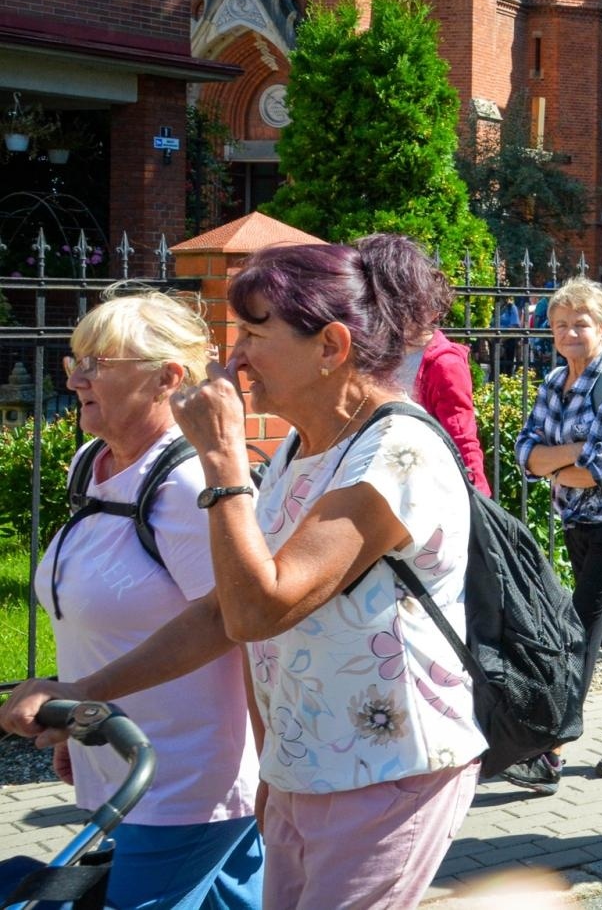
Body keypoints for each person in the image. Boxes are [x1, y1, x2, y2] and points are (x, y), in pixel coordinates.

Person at [169, 234, 486, 909]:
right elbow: (227, 612)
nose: (237, 358)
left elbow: (263, 607)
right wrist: (90, 687)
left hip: (390, 770)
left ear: (332, 346)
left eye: (255, 333)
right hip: (305, 771)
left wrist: (224, 462)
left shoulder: (396, 452)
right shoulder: (299, 446)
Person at [0, 289, 263, 910]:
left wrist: (82, 694)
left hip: (189, 777)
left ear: (167, 378)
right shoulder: (93, 463)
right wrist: (74, 725)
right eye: (74, 362)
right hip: (122, 755)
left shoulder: (189, 482)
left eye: (97, 363)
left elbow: (235, 620)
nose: (77, 379)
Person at [506, 277, 602, 796]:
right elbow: (524, 452)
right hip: (579, 521)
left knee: (578, 631)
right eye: (561, 324)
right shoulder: (556, 382)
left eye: (581, 323)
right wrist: (569, 456)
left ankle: (548, 751)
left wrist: (559, 460)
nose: (571, 332)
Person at [384, 246, 492, 496]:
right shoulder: (385, 352)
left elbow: (461, 433)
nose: (401, 312)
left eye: (413, 305)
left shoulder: (445, 364)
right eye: (397, 302)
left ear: (433, 312)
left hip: (427, 484)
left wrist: (477, 497)